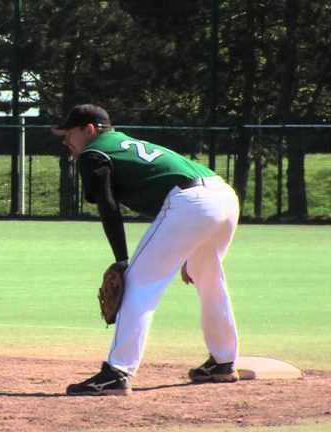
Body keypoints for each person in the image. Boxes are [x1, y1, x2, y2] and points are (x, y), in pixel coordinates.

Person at [52, 105, 240, 396]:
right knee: (210, 279)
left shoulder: (93, 154)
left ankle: (117, 372)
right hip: (223, 195)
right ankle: (223, 361)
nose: (66, 140)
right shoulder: (122, 143)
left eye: (69, 132)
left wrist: (122, 260)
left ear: (90, 129)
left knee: (139, 284)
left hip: (190, 202)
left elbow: (108, 207)